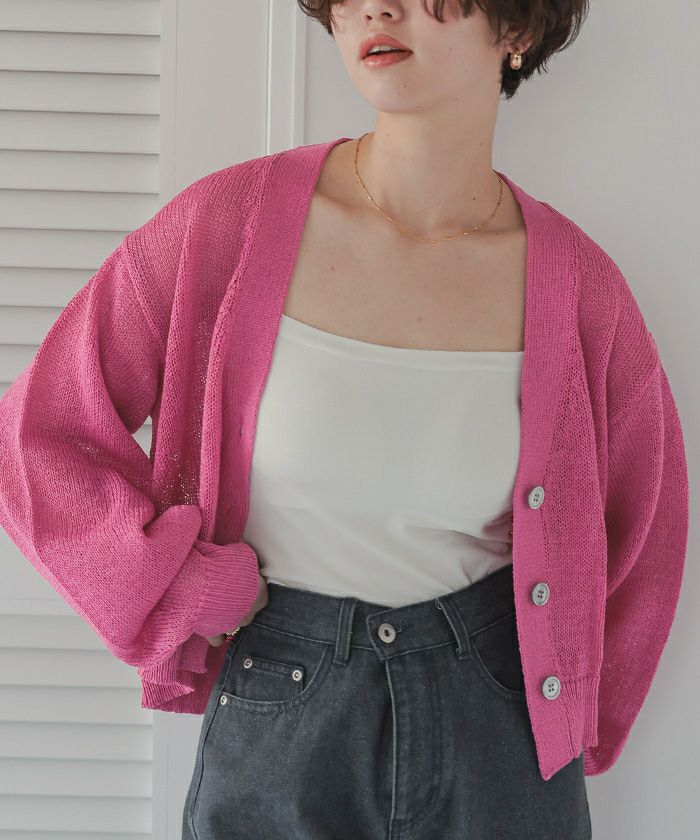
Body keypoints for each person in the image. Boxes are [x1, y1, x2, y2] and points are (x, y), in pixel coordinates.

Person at [0, 2, 689, 839]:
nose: (376, 8)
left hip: (500, 733)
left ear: (516, 27)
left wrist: (575, 699)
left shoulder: (581, 291)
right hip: (278, 716)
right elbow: (37, 437)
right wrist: (174, 585)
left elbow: (646, 528)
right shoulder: (225, 227)